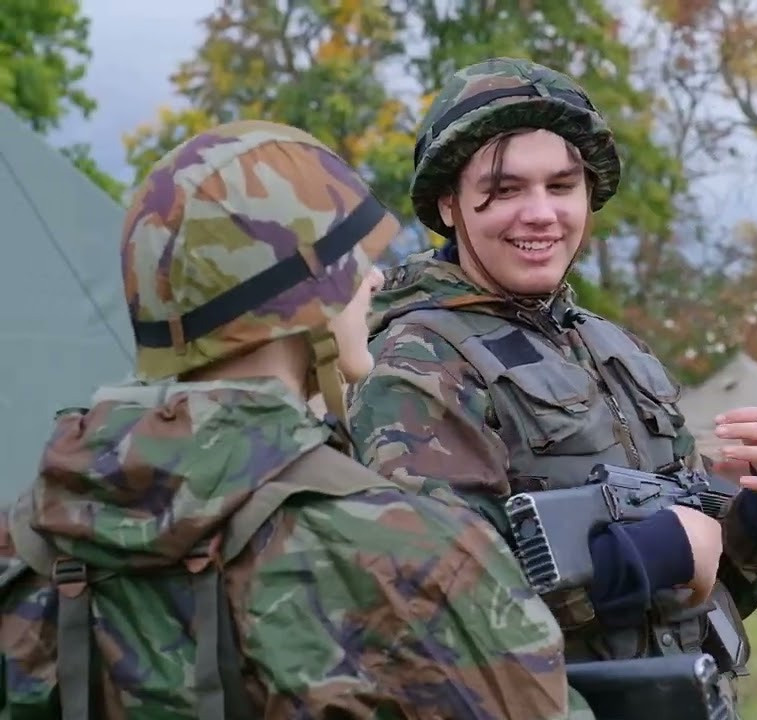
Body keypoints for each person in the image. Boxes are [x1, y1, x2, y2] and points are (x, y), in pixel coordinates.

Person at [0, 119, 589, 720]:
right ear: (305, 302)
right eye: (353, 263)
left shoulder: (29, 538)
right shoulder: (409, 556)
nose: (375, 279)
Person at [348, 57, 757, 714]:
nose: (541, 214)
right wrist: (643, 556)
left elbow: (699, 584)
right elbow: (433, 611)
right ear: (449, 204)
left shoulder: (614, 350)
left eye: (562, 185)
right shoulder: (417, 364)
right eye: (505, 189)